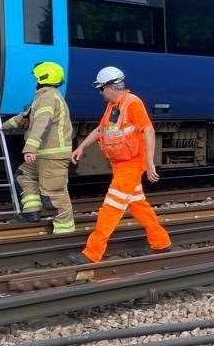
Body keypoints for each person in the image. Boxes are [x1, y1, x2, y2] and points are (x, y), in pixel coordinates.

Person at [68, 66, 170, 264]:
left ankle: (92, 253)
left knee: (112, 206)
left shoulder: (133, 103)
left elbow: (148, 131)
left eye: (101, 88)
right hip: (120, 164)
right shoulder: (113, 106)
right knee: (138, 204)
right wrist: (81, 147)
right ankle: (161, 242)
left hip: (131, 164)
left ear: (111, 86)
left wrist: (150, 163)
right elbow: (101, 129)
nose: (100, 93)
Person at [2, 61, 75, 233]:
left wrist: (30, 148)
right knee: (24, 175)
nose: (34, 79)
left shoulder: (48, 98)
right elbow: (25, 116)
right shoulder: (43, 98)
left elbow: (42, 123)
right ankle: (32, 212)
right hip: (44, 154)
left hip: (51, 155)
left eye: (36, 76)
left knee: (54, 191)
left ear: (42, 78)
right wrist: (4, 126)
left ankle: (65, 229)